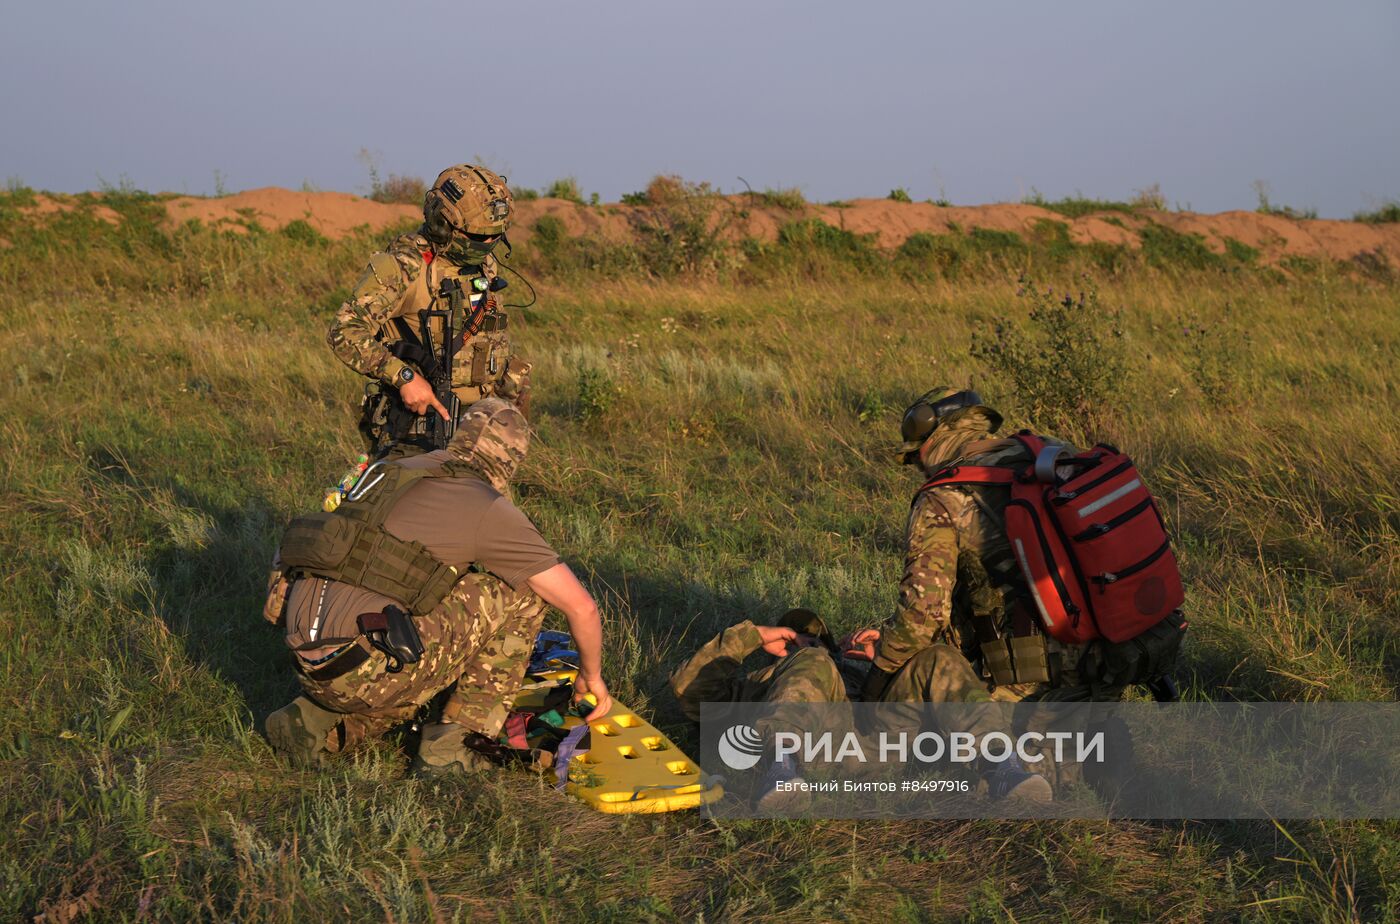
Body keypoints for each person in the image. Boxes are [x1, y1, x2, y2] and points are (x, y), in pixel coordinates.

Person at [846, 387, 1185, 786]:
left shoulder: (944, 498)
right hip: (1108, 662)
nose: (920, 469)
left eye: (917, 458)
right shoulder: (1051, 456)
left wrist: (878, 683)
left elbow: (920, 616)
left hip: (1025, 685)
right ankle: (1091, 746)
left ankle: (1053, 765)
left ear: (931, 442)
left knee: (937, 753)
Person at [262, 398, 611, 776]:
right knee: (523, 593)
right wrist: (590, 678)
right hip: (363, 666)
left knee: (417, 615)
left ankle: (312, 718)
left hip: (303, 654)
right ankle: (452, 745)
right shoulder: (487, 505)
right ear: (511, 460)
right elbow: (582, 607)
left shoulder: (388, 469)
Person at [327, 164, 531, 457]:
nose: (488, 244)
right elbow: (343, 330)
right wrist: (404, 377)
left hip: (481, 426)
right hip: (418, 432)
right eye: (477, 236)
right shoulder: (404, 266)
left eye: (496, 236)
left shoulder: (482, 264)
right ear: (443, 224)